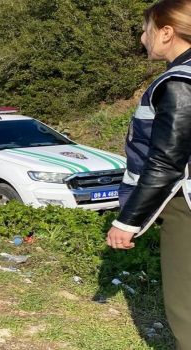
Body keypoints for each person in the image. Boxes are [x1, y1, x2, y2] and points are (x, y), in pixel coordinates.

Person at [106, 1, 191, 347]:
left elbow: (167, 163)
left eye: (147, 30)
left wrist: (127, 221)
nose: (143, 39)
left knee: (185, 307)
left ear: (167, 32)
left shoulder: (180, 82)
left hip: (185, 207)